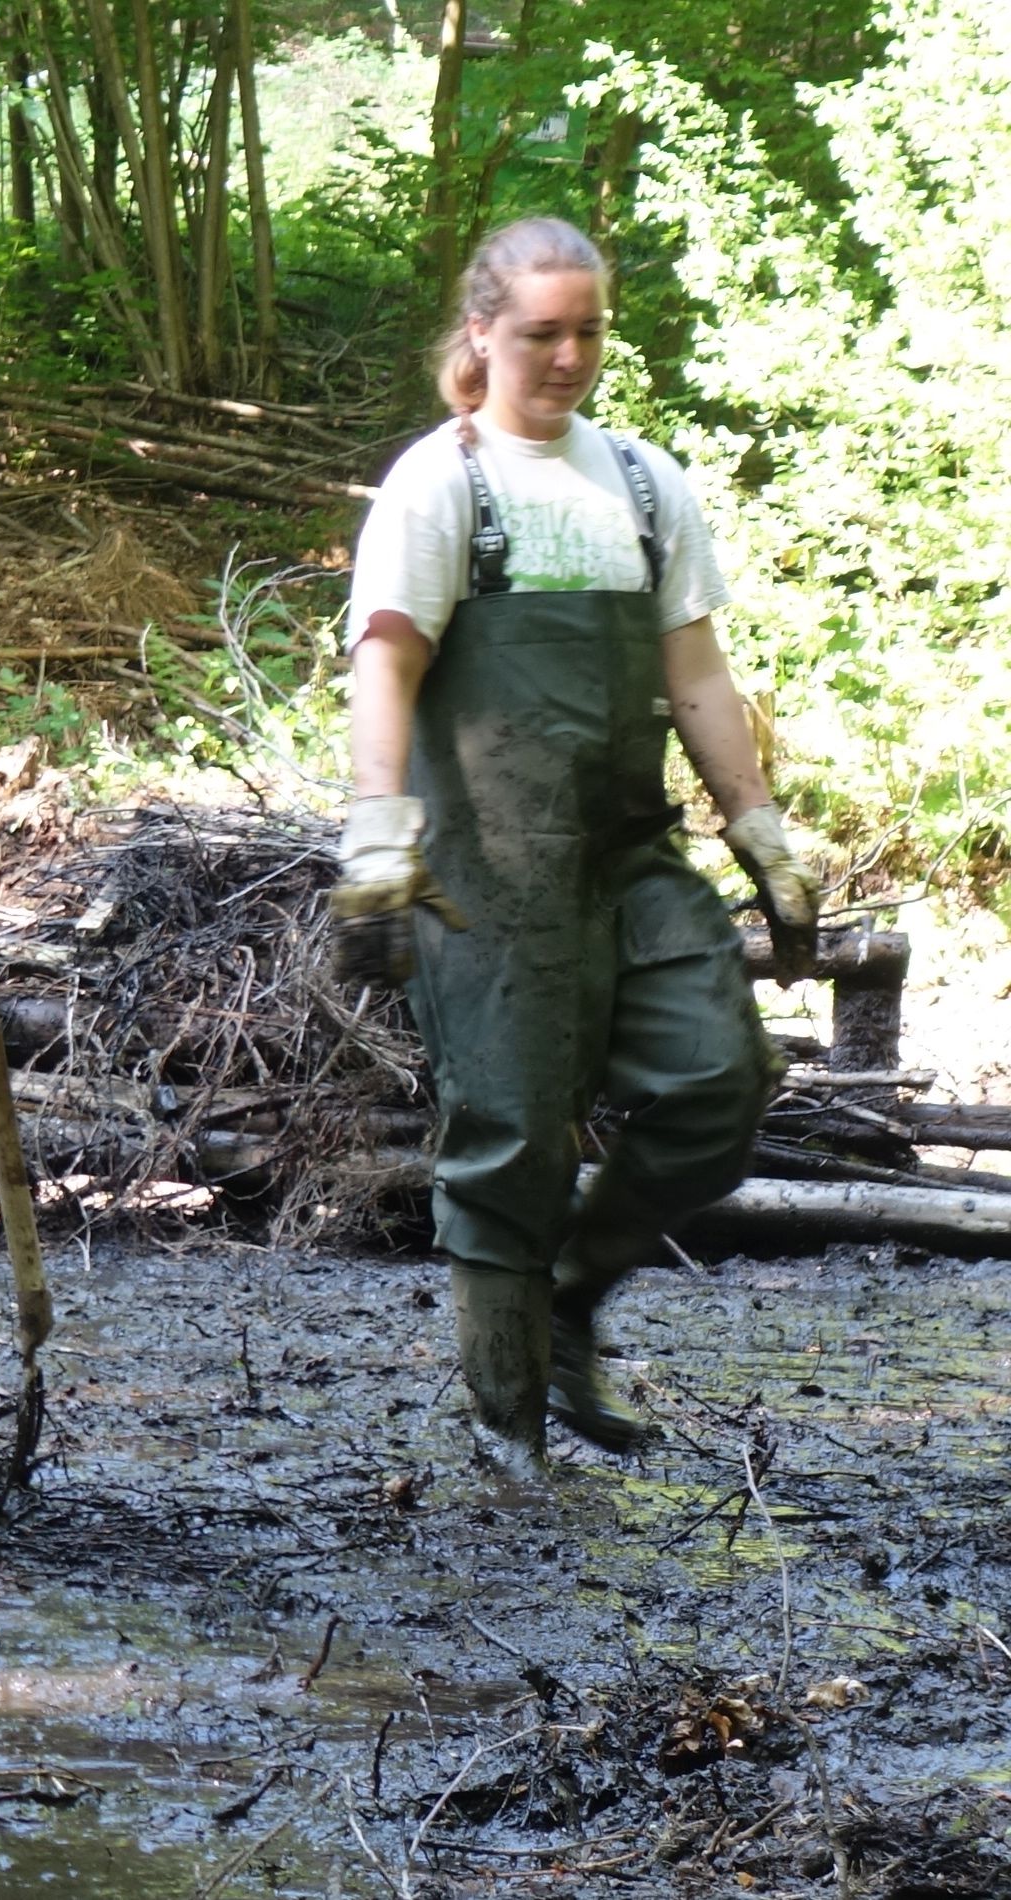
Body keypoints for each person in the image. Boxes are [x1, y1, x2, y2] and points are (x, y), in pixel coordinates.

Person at [331, 216, 816, 1482]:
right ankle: (507, 1420)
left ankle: (572, 1297)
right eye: (542, 331)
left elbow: (696, 671)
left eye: (588, 330)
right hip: (488, 869)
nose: (568, 356)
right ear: (481, 333)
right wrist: (378, 840)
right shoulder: (443, 485)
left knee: (719, 1083)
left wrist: (758, 827)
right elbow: (385, 669)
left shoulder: (644, 483)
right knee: (511, 1134)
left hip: (626, 853)